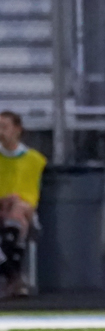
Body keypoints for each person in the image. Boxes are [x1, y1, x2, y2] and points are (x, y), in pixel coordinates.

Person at [0, 111, 46, 298]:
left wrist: (12, 201)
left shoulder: (34, 159)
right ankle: (14, 277)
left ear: (17, 130)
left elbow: (31, 196)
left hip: (22, 210)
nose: (0, 132)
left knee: (18, 213)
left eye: (4, 127)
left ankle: (11, 275)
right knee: (14, 217)